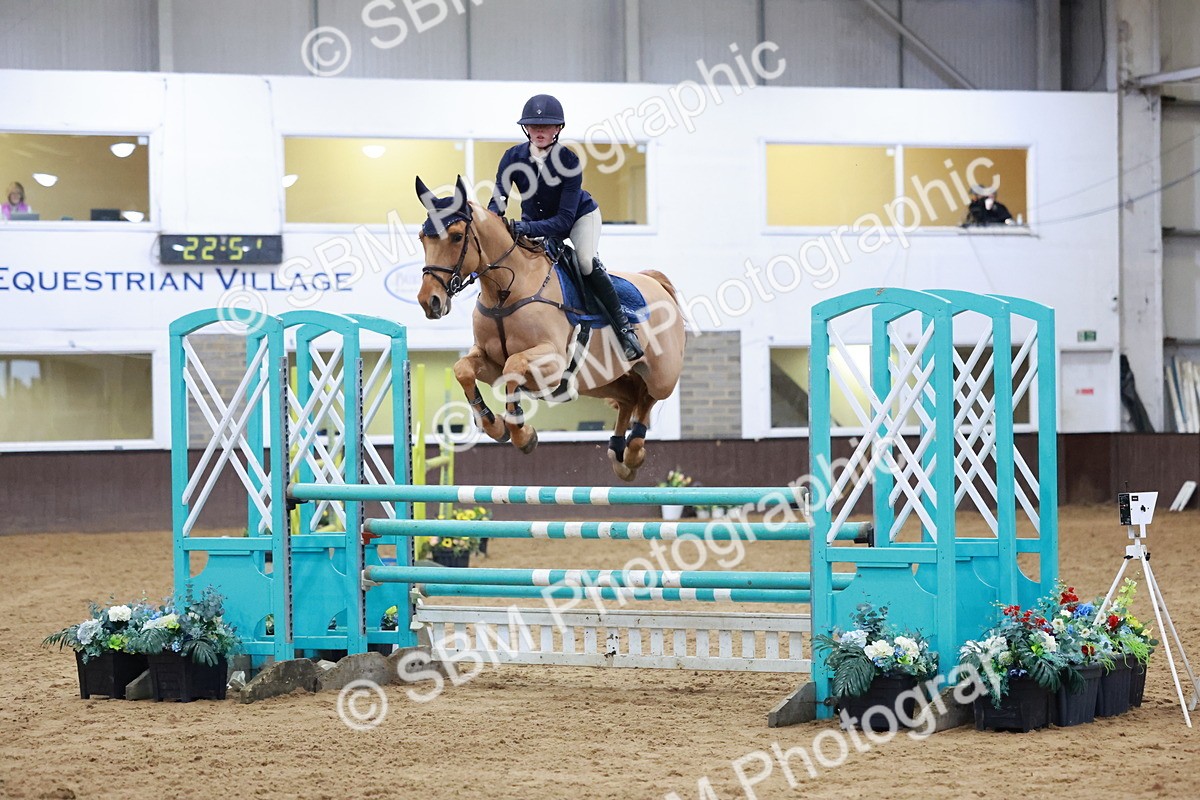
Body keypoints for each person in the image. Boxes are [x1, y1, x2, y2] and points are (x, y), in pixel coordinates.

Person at [487, 94, 644, 361]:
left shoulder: (569, 162)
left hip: (579, 218)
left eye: (546, 126)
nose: (539, 131)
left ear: (558, 129)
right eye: (534, 126)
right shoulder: (512, 157)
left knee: (584, 262)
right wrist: (491, 222)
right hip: (535, 222)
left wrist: (523, 227)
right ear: (526, 128)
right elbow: (498, 198)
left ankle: (624, 329)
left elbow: (563, 222)